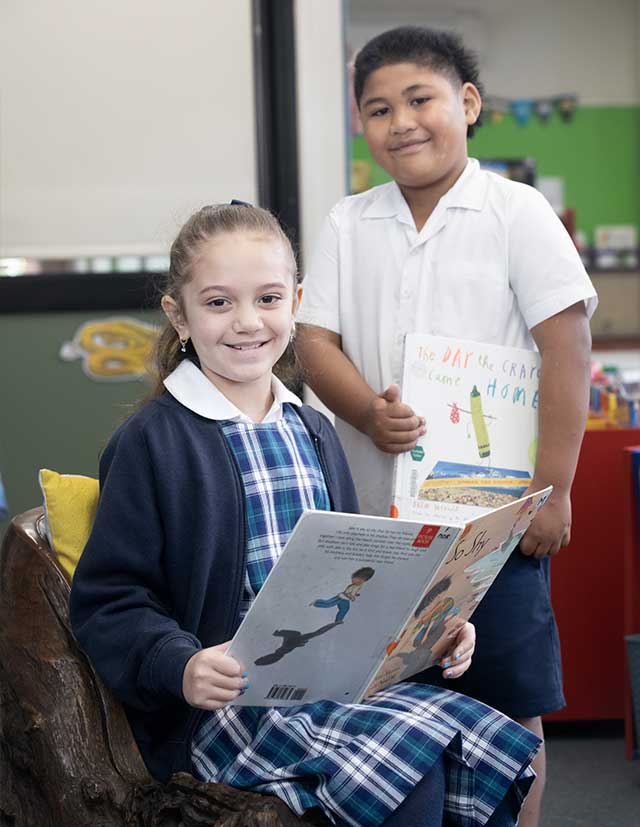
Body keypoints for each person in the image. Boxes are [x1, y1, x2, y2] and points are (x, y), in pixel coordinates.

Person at [70, 203, 541, 827]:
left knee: (454, 757)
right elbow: (110, 600)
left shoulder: (314, 431)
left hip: (327, 688)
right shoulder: (152, 443)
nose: (246, 322)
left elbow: (363, 580)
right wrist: (179, 664)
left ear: (296, 302)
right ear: (178, 314)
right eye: (217, 303)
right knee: (409, 779)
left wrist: (433, 629)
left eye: (268, 299)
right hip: (224, 711)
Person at [295, 26, 597, 827]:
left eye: (419, 99)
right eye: (378, 108)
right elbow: (312, 340)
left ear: (466, 104)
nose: (401, 122)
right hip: (376, 527)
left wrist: (555, 488)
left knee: (510, 710)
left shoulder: (515, 212)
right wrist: (365, 410)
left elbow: (566, 348)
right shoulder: (347, 223)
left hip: (489, 528)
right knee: (387, 713)